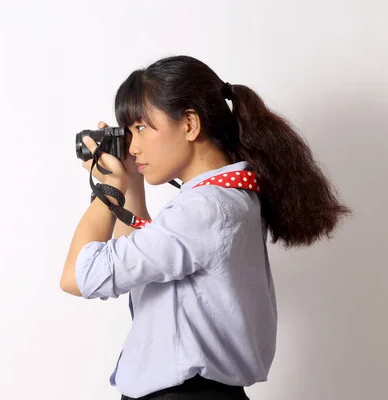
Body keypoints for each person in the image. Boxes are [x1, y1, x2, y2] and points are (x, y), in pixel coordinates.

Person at [59, 55, 350, 400]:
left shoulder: (205, 209)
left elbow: (79, 276)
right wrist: (131, 182)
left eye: (141, 128)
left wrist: (107, 191)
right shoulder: (220, 199)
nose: (133, 145)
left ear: (190, 125)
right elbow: (139, 266)